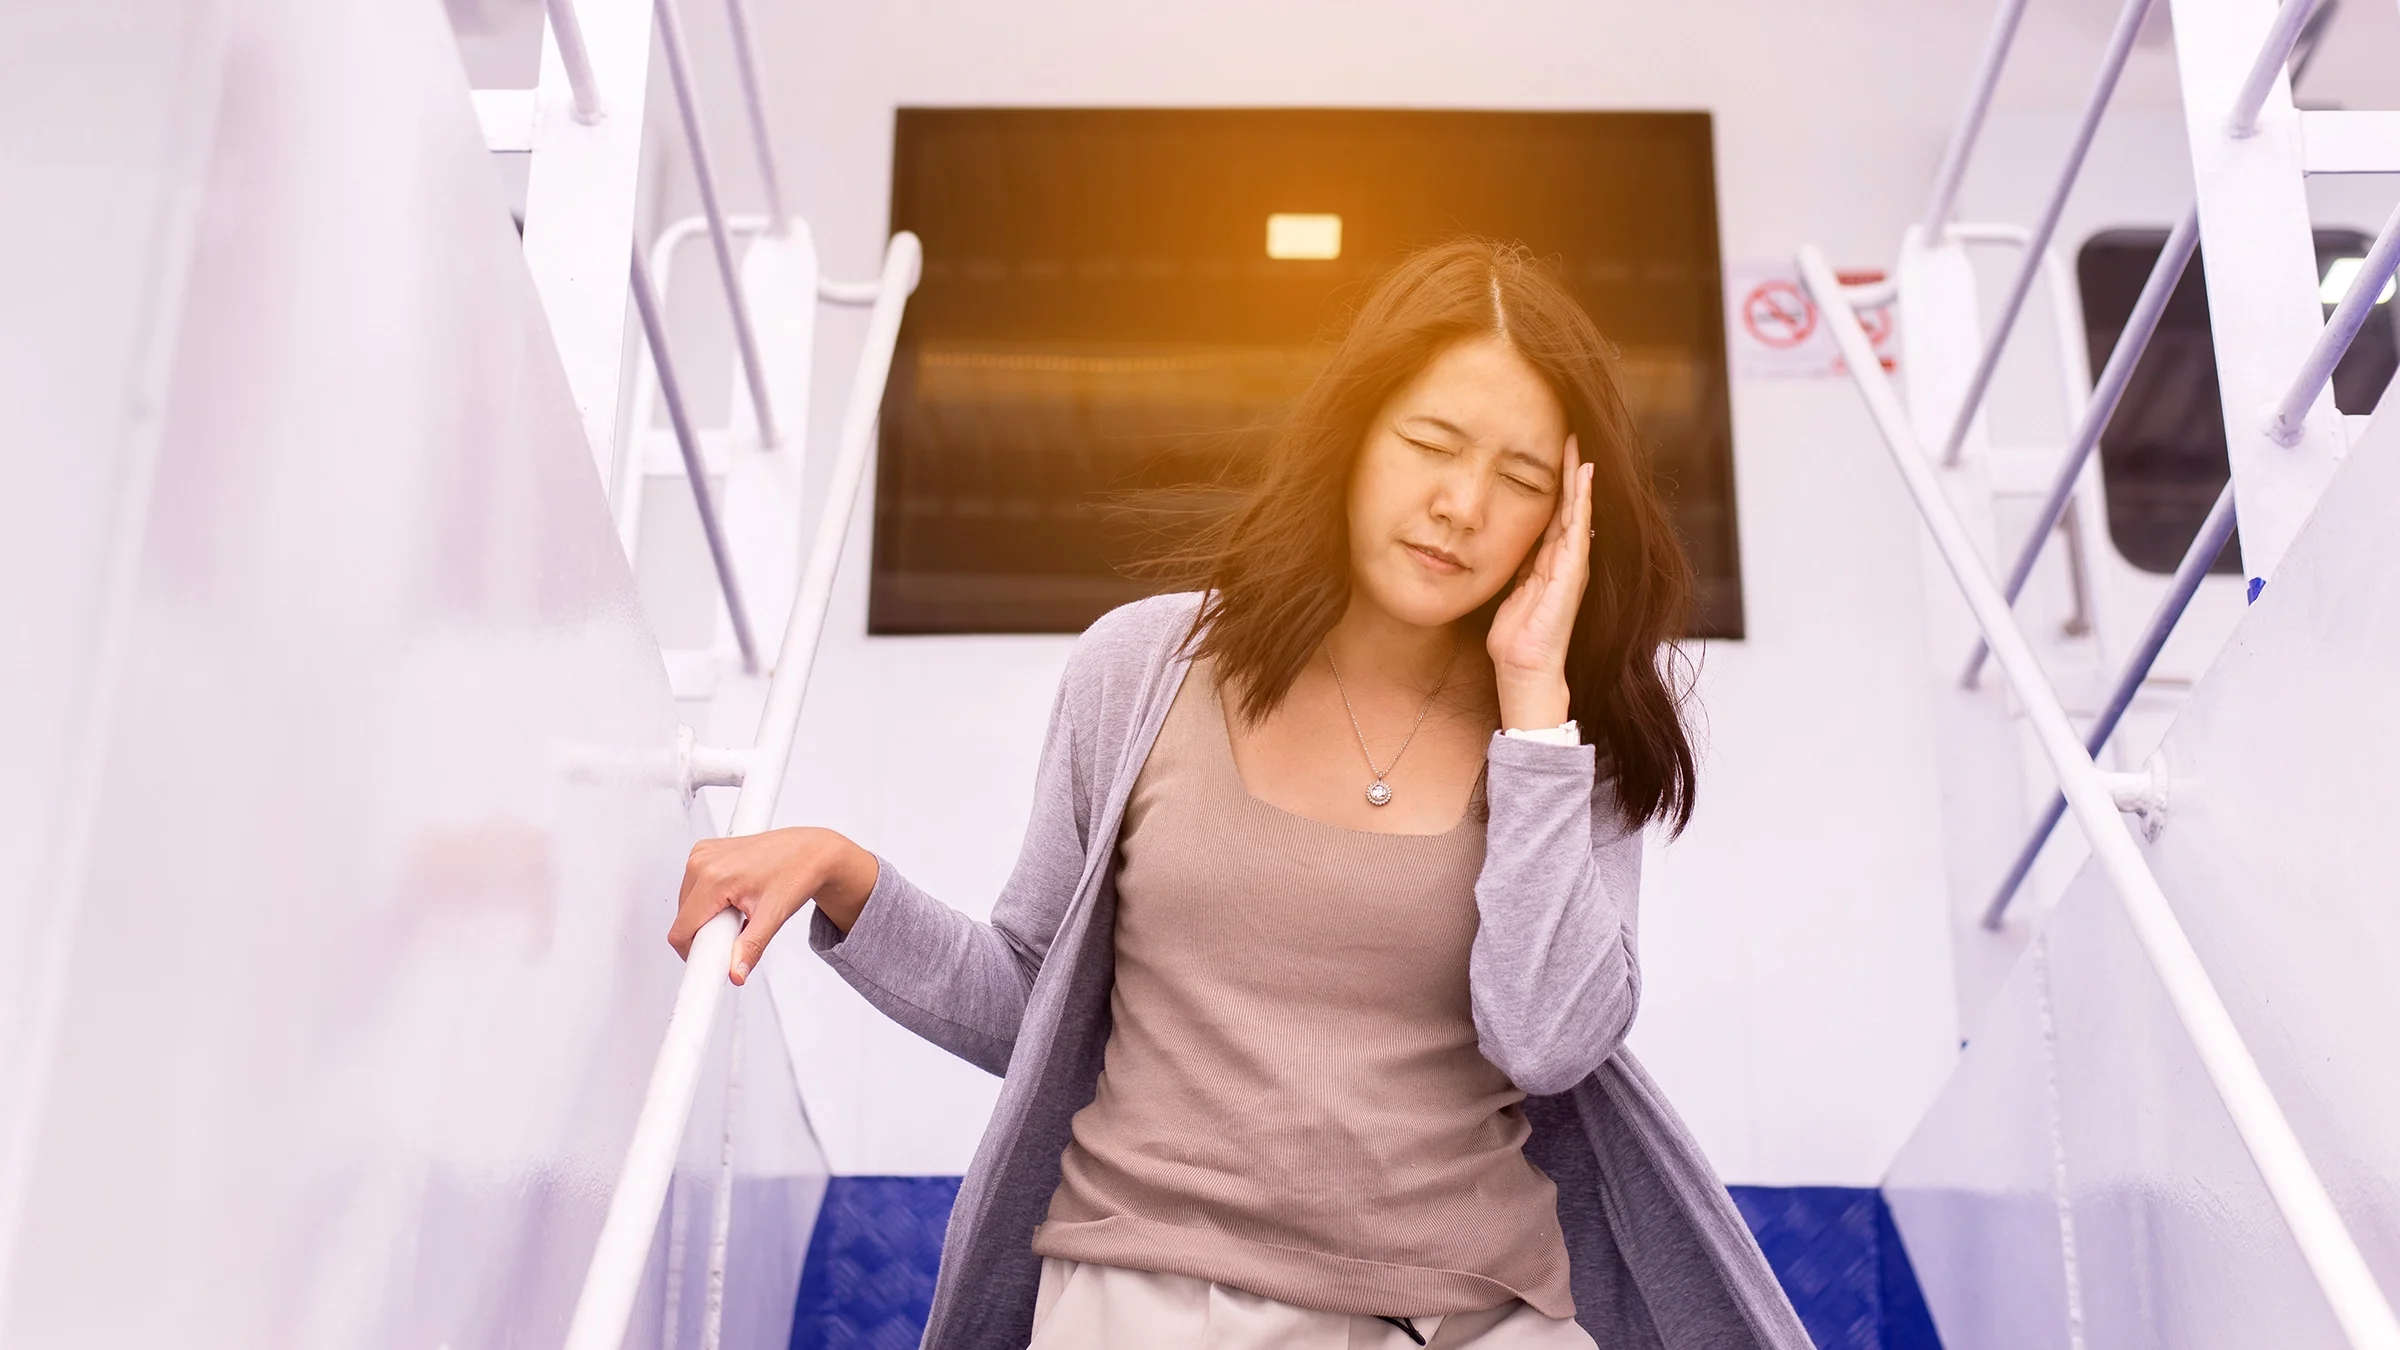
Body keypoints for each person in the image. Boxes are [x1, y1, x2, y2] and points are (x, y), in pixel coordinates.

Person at [669, 238, 1810, 1349]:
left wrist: (1533, 707)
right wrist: (845, 875)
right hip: (1154, 1300)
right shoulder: (1143, 668)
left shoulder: (1566, 742)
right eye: (1431, 441)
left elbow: (1550, 1042)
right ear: (1355, 437)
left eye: (1518, 478)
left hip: (1480, 1314)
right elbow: (1035, 1004)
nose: (1463, 503)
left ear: (1566, 520)